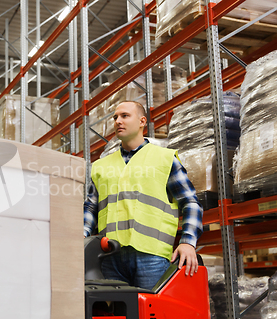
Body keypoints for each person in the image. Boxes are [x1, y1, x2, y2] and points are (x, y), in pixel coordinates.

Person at [83, 101, 203, 290]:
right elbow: (90, 207)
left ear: (142, 121)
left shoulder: (164, 159)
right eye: (115, 117)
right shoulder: (101, 166)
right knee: (118, 318)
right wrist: (81, 238)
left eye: (124, 116)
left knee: (151, 316)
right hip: (109, 257)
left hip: (151, 257)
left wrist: (188, 242)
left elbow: (190, 203)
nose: (118, 121)